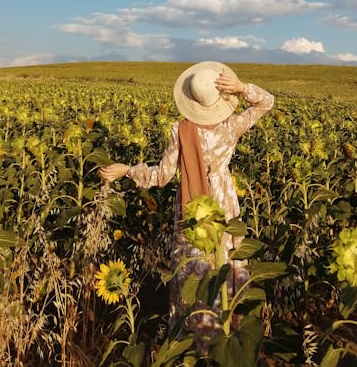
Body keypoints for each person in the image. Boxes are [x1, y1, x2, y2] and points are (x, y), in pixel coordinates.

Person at [98, 61, 274, 351]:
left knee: (195, 270)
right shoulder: (232, 127)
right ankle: (228, 336)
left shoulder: (181, 131)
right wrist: (242, 88)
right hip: (225, 202)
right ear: (221, 99)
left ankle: (198, 342)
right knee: (226, 262)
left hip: (193, 205)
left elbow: (161, 176)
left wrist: (127, 169)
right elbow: (267, 102)